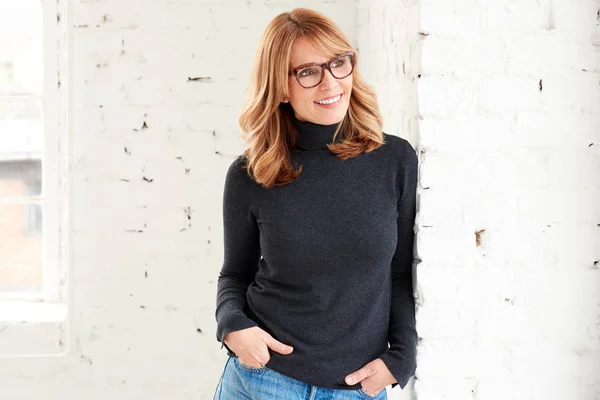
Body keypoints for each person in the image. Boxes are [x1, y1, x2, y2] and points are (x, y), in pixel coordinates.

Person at [214, 7, 418, 400]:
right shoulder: (251, 174)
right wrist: (233, 326)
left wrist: (402, 358)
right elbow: (234, 275)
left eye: (338, 63)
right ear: (280, 86)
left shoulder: (394, 160)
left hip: (357, 388)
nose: (330, 83)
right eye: (308, 72)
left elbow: (399, 274)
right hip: (264, 381)